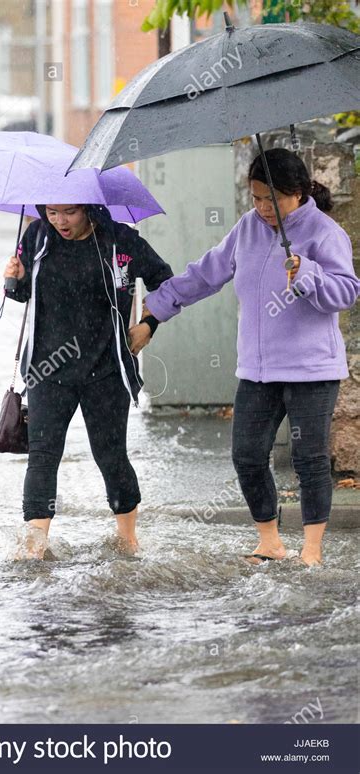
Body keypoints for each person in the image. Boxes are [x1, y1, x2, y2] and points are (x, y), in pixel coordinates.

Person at [138, 148, 359, 566]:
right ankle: (270, 542)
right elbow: (206, 273)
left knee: (308, 458)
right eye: (255, 198)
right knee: (247, 455)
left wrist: (308, 273)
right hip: (258, 371)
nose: (261, 208)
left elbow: (346, 291)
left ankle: (311, 551)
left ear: (296, 193)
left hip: (312, 369)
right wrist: (157, 307)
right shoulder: (247, 228)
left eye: (269, 199)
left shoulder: (325, 232)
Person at [3, 202, 172, 557]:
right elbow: (21, 294)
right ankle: (35, 545)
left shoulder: (120, 241)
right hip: (48, 370)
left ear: (90, 209)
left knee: (110, 456)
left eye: (69, 212)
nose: (59, 221)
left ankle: (127, 541)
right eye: (51, 211)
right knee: (43, 456)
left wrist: (148, 325)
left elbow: (166, 281)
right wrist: (12, 279)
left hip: (106, 370)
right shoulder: (36, 237)